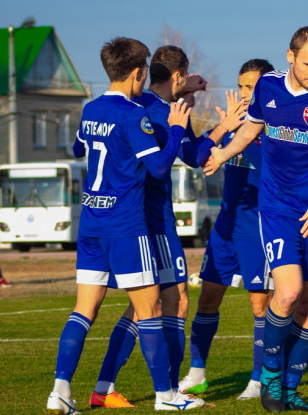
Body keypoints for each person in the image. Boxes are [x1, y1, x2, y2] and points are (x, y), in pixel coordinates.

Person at [204, 26, 308, 412]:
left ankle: (291, 389)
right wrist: (221, 156)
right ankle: (270, 375)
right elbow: (249, 131)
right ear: (290, 56)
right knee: (288, 292)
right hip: (275, 209)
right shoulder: (269, 88)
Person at [45, 37, 204, 414]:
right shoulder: (134, 115)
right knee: (149, 312)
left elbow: (78, 150)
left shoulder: (90, 109)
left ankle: (60, 391)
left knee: (83, 311)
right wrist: (179, 128)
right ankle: (166, 396)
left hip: (91, 225)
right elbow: (161, 167)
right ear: (138, 72)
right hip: (126, 226)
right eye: (145, 71)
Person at [87, 45, 243, 409]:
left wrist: (187, 90)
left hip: (131, 217)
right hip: (153, 220)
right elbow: (192, 156)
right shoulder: (160, 112)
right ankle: (169, 392)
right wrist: (224, 127)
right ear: (175, 75)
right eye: (184, 77)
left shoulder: (140, 104)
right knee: (174, 301)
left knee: (143, 308)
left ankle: (105, 386)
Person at [179, 59, 275, 401]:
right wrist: (216, 126)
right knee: (207, 298)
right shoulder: (233, 124)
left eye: (254, 87)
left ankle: (259, 379)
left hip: (258, 229)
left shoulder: (274, 128)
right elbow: (195, 154)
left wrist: (247, 133)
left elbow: (270, 170)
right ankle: (197, 373)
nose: (246, 93)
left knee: (260, 305)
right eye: (243, 86)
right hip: (225, 227)